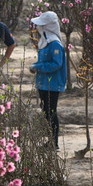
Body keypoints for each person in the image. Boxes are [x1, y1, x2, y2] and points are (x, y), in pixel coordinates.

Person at [29, 10, 68, 148]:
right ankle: (50, 141)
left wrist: (38, 66)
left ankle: (54, 142)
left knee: (51, 112)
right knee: (46, 111)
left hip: (53, 84)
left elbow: (56, 64)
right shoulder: (45, 42)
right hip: (44, 83)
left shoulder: (55, 44)